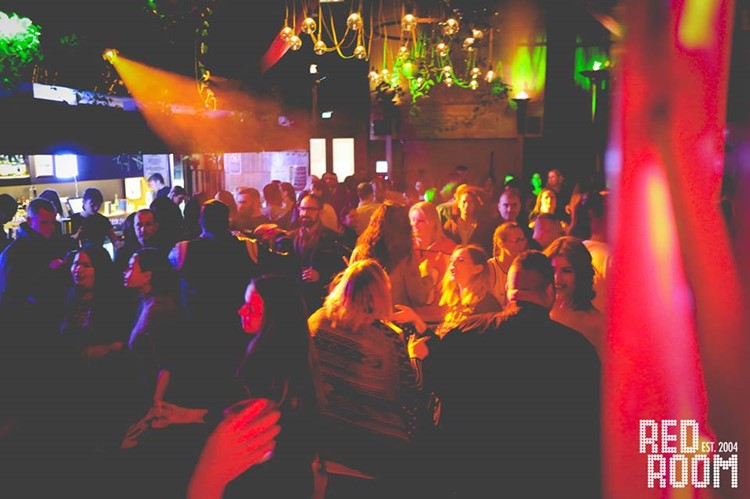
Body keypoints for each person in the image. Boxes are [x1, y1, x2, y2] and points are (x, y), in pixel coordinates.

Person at [406, 250, 601, 498]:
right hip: (544, 480)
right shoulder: (576, 349)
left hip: (472, 477)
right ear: (549, 292)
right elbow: (588, 425)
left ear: (508, 289)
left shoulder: (467, 332)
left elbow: (437, 392)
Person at [308, 259, 420, 499]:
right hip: (373, 445)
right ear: (380, 294)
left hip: (321, 434)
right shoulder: (388, 338)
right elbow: (405, 392)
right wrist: (415, 357)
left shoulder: (318, 321)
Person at [350, 201, 434, 310]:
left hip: (364, 318)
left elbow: (350, 293)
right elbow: (419, 298)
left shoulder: (359, 252)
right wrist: (428, 277)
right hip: (394, 318)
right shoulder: (405, 256)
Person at [543, 236, 605, 356]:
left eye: (566, 271)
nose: (557, 278)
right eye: (552, 270)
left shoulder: (597, 323)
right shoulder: (538, 309)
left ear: (581, 274)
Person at [288, 193, 347, 314]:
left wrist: (321, 276)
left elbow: (342, 272)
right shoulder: (291, 237)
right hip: (296, 300)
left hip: (320, 301)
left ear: (320, 212)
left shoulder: (333, 239)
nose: (305, 213)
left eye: (310, 209)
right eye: (302, 208)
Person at [408, 201, 456, 324]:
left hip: (440, 318)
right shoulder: (407, 249)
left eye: (420, 221)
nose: (414, 225)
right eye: (412, 221)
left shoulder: (448, 248)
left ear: (433, 222)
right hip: (412, 317)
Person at [487, 222, 528, 307]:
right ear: (501, 243)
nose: (522, 245)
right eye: (518, 240)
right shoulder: (490, 268)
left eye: (523, 240)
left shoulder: (526, 268)